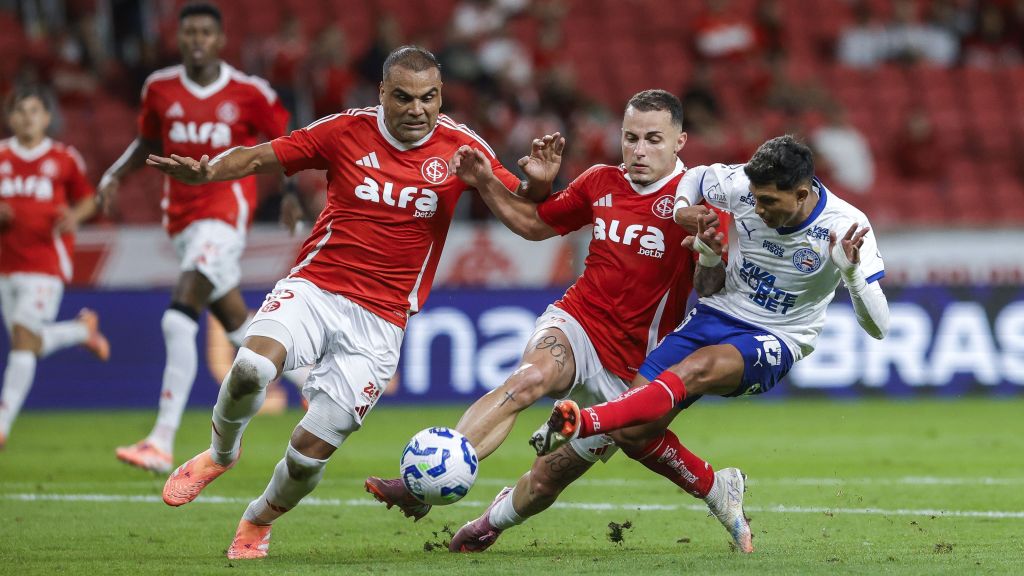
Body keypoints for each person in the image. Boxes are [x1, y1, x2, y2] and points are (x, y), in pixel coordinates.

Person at [145, 45, 557, 560]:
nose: (416, 109)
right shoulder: (345, 130)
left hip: (381, 323)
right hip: (317, 288)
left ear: (441, 96)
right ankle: (219, 454)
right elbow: (260, 156)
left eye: (428, 98)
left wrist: (540, 183)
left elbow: (526, 206)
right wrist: (207, 173)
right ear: (382, 92)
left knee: (308, 456)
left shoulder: (461, 148)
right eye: (403, 97)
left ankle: (257, 520)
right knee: (250, 365)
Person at [365, 90, 729, 531]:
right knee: (528, 379)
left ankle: (488, 524)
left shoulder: (698, 208)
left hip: (632, 369)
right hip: (578, 323)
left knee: (544, 483)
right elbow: (534, 224)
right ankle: (425, 484)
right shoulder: (600, 181)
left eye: (653, 139)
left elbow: (711, 291)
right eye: (630, 137)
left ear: (680, 142)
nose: (638, 150)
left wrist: (709, 256)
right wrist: (493, 183)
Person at [517, 135, 890, 554]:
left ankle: (582, 421)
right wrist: (683, 212)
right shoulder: (737, 185)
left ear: (802, 194)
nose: (757, 210)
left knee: (695, 371)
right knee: (634, 433)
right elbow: (694, 178)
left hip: (776, 337)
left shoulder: (846, 227)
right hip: (715, 314)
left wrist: (853, 276)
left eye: (768, 202)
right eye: (753, 199)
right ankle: (719, 487)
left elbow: (878, 327)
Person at [98, 3, 291, 474]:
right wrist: (113, 176)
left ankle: (161, 440)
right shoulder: (159, 88)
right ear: (179, 38)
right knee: (240, 328)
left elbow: (286, 145)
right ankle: (317, 379)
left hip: (225, 214)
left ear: (221, 39)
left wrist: (290, 194)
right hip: (182, 219)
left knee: (177, 316)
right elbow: (147, 141)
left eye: (206, 32)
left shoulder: (249, 92)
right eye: (190, 33)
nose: (197, 40)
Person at [0, 86, 110, 450]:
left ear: (47, 118)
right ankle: (81, 331)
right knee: (27, 343)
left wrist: (73, 216)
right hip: (5, 265)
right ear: (9, 117)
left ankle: (2, 422)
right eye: (20, 110)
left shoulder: (63, 158)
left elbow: (89, 199)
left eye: (34, 110)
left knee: (21, 338)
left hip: (45, 263)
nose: (27, 117)